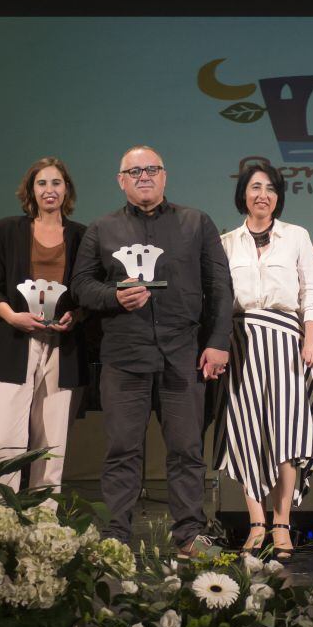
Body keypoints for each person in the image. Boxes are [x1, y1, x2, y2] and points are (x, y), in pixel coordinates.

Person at [70, 146, 232, 555]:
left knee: (186, 450)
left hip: (183, 354)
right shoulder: (101, 229)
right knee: (122, 451)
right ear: (121, 180)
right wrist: (114, 296)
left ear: (164, 176)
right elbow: (82, 286)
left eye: (152, 169)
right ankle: (117, 537)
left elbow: (219, 287)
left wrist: (217, 343)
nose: (144, 176)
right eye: (134, 171)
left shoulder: (196, 222)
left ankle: (189, 535)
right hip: (124, 357)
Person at [213, 161, 313, 559]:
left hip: (286, 341)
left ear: (279, 196)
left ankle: (282, 522)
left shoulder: (296, 236)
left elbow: (312, 292)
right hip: (241, 343)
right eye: (255, 187)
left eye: (271, 188)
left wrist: (311, 339)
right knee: (247, 430)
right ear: (243, 194)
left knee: (287, 431)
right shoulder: (226, 242)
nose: (263, 195)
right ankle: (256, 521)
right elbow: (219, 300)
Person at [0, 157, 88, 506]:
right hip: (14, 343)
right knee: (4, 439)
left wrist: (75, 316)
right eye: (41, 183)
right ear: (31, 190)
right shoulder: (9, 229)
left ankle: (44, 522)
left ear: (67, 190)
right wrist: (13, 317)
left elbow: (86, 293)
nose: (49, 190)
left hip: (61, 347)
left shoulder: (81, 235)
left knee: (51, 443)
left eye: (56, 183)